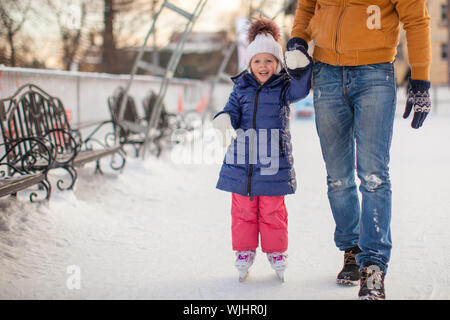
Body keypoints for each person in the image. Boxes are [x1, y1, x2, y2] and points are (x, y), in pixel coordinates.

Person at [288, 0, 431, 299]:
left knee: (373, 175)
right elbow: (306, 7)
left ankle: (374, 265)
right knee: (338, 177)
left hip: (375, 74)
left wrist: (420, 78)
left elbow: (417, 20)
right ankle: (351, 250)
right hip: (326, 74)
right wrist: (299, 38)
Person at [212, 18, 312, 282]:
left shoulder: (283, 88)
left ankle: (276, 252)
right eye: (257, 61)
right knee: (243, 209)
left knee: (272, 210)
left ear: (277, 64)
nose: (263, 66)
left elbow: (301, 89)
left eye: (269, 61)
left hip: (273, 161)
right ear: (249, 64)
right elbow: (231, 110)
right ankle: (244, 251)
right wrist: (224, 119)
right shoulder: (241, 87)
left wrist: (302, 70)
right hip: (242, 161)